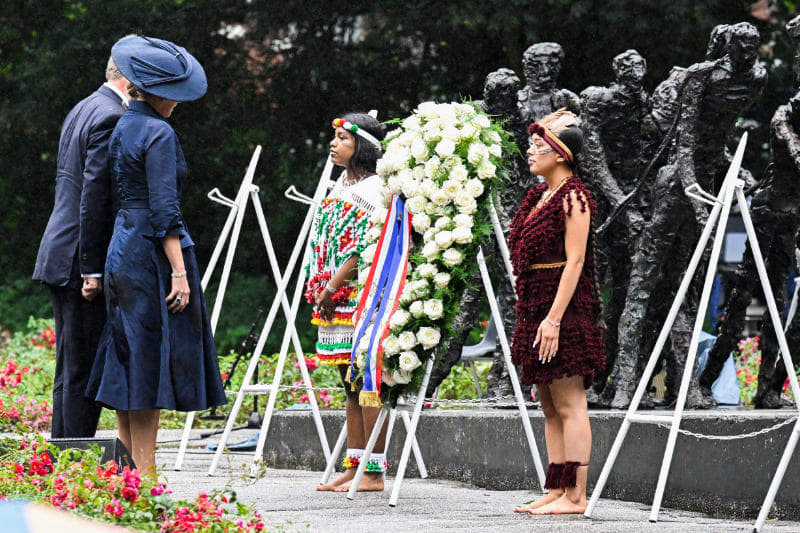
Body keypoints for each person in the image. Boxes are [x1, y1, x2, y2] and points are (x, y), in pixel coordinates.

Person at [85, 36, 226, 474]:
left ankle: (129, 473)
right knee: (149, 361)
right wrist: (180, 272)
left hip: (121, 249)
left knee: (129, 358)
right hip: (151, 254)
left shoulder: (124, 123)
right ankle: (145, 478)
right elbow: (166, 211)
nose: (179, 104)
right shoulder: (159, 132)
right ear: (161, 93)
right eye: (176, 96)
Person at [508, 110, 605, 515]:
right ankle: (555, 487)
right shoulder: (539, 195)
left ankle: (576, 496)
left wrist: (553, 319)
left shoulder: (574, 196)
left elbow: (577, 260)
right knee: (548, 404)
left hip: (563, 309)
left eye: (540, 147)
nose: (531, 152)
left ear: (562, 154)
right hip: (535, 303)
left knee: (569, 402)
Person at [33, 45, 129, 438]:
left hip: (61, 250)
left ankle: (64, 456)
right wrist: (92, 268)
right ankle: (73, 455)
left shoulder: (84, 106)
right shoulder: (110, 115)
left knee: (70, 363)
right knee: (82, 365)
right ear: (130, 77)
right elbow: (94, 198)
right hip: (78, 258)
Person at [307, 113, 388, 492]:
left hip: (359, 296)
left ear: (363, 147)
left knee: (368, 380)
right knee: (349, 383)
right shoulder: (340, 183)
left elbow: (365, 247)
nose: (333, 143)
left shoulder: (374, 190)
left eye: (342, 138)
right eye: (334, 137)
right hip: (332, 297)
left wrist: (334, 284)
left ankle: (373, 471)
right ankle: (354, 464)